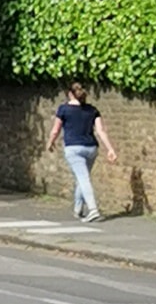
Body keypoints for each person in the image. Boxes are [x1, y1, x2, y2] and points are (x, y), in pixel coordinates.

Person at [50, 81, 117, 222]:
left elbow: (56, 130)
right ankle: (78, 208)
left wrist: (50, 142)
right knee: (83, 177)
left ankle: (93, 210)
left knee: (83, 178)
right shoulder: (92, 110)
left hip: (73, 149)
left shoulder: (63, 109)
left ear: (70, 94)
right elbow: (100, 131)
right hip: (91, 148)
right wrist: (110, 149)